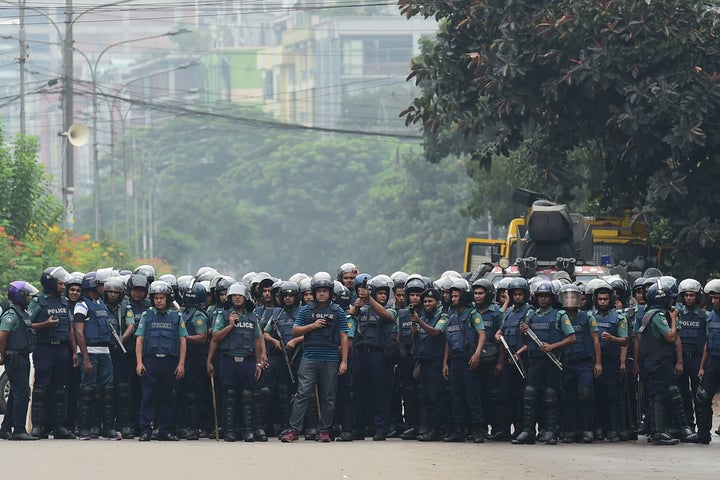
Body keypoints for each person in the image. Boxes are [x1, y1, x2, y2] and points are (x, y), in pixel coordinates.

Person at [280, 272, 349, 443]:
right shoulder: (306, 310)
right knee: (302, 393)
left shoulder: (337, 311)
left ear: (330, 292)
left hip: (331, 358)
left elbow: (344, 337)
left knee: (329, 396)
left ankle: (324, 430)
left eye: (325, 291)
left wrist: (344, 361)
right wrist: (312, 326)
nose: (321, 294)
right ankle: (294, 430)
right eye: (319, 291)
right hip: (309, 356)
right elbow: (295, 331)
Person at [513, 280, 576, 445]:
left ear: (551, 298)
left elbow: (571, 337)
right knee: (529, 394)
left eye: (546, 296)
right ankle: (528, 431)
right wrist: (522, 332)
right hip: (535, 360)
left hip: (552, 361)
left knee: (550, 395)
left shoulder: (559, 315)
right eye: (540, 296)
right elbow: (525, 340)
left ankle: (551, 431)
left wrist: (552, 346)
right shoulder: (531, 315)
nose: (543, 299)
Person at [635, 279, 698, 445]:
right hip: (657, 363)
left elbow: (677, 340)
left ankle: (679, 428)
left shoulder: (655, 313)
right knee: (659, 395)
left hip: (661, 361)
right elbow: (671, 337)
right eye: (670, 297)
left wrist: (679, 362)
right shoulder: (657, 316)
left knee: (671, 393)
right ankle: (658, 432)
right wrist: (674, 319)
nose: (673, 300)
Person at [207, 282, 267, 442]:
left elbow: (256, 340)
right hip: (228, 359)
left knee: (248, 396)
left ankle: (248, 430)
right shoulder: (223, 315)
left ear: (245, 297)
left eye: (240, 295)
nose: (237, 298)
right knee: (229, 395)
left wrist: (259, 362)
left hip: (247, 361)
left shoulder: (252, 316)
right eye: (234, 296)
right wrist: (230, 326)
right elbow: (215, 338)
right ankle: (229, 431)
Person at [135, 280, 187, 441]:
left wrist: (181, 364)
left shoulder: (176, 317)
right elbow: (140, 340)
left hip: (170, 362)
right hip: (150, 361)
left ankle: (165, 430)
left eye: (162, 298)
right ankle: (145, 430)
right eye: (156, 298)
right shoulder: (146, 315)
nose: (159, 301)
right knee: (147, 396)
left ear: (168, 299)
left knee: (167, 397)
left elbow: (183, 341)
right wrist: (139, 362)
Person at [28, 266, 76, 439]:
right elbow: (27, 324)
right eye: (60, 283)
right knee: (41, 387)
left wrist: (74, 352)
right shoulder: (38, 301)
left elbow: (70, 328)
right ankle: (39, 426)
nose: (64, 287)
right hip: (44, 348)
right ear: (50, 284)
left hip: (62, 348)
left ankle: (59, 427)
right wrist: (45, 325)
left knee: (60, 389)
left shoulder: (64, 302)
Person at [74, 272, 121, 440]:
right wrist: (85, 358)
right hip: (90, 353)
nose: (104, 288)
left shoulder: (101, 304)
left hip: (105, 352)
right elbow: (79, 332)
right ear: (92, 286)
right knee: (88, 390)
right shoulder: (82, 305)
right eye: (100, 285)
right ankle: (84, 429)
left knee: (107, 390)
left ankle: (107, 429)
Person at [348, 274, 396, 441]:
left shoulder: (391, 308)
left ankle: (381, 428)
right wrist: (358, 304)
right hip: (361, 354)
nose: (383, 296)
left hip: (379, 355)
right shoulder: (362, 308)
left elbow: (386, 316)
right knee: (360, 392)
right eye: (380, 293)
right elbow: (350, 318)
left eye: (385, 293)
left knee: (381, 393)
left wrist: (370, 299)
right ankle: (359, 428)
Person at [441, 277, 486, 442]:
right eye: (452, 296)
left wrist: (477, 354)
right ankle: (459, 429)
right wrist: (445, 362)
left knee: (473, 396)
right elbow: (448, 340)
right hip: (455, 360)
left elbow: (482, 334)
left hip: (468, 358)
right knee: (456, 395)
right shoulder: (450, 315)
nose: (453, 299)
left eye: (456, 296)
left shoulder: (473, 314)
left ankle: (478, 429)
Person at [558, 284, 601, 443]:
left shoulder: (587, 316)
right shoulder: (559, 316)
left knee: (585, 394)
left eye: (573, 296)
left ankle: (587, 430)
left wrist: (598, 363)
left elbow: (596, 340)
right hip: (567, 363)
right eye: (567, 296)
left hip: (584, 363)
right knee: (569, 397)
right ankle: (570, 430)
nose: (570, 300)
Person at [0, 281, 40, 440]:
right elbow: (2, 335)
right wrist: (2, 355)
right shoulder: (11, 314)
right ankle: (19, 430)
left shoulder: (22, 313)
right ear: (20, 296)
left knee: (17, 394)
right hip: (14, 357)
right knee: (22, 394)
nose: (30, 297)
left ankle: (5, 428)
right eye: (28, 295)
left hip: (22, 356)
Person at [592, 281, 628, 442]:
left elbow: (625, 341)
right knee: (596, 396)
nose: (602, 302)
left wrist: (612, 339)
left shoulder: (619, 317)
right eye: (600, 299)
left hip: (611, 362)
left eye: (605, 299)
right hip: (593, 362)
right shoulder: (590, 316)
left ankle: (614, 429)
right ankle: (599, 428)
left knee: (613, 396)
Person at [175, 281, 209, 440]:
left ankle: (193, 427)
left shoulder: (198, 314)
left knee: (192, 393)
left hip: (195, 358)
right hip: (184, 357)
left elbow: (202, 338)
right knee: (180, 392)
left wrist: (183, 338)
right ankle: (181, 425)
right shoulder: (185, 312)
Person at [104, 276, 135, 439]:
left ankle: (125, 425)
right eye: (110, 292)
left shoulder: (126, 307)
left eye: (116, 292)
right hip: (104, 352)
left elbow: (131, 324)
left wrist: (121, 339)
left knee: (123, 389)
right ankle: (105, 425)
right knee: (107, 390)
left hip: (121, 352)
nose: (113, 295)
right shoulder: (100, 307)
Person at [675, 278, 706, 433]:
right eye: (686, 295)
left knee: (699, 395)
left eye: (692, 295)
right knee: (682, 394)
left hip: (697, 360)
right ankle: (688, 426)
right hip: (681, 361)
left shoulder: (704, 316)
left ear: (697, 297)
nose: (688, 298)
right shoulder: (677, 314)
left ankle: (702, 428)